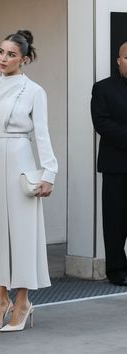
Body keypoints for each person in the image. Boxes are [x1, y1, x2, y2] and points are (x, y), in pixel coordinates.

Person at [0, 30, 58, 332]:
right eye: (0, 52)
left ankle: (22, 302)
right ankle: (0, 301)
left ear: (25, 59)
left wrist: (49, 173)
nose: (3, 59)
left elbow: (42, 134)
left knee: (21, 234)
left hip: (20, 160)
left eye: (11, 54)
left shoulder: (35, 91)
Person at [91, 41, 127, 286]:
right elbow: (102, 124)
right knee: (115, 222)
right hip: (116, 166)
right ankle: (116, 270)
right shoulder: (103, 88)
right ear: (118, 60)